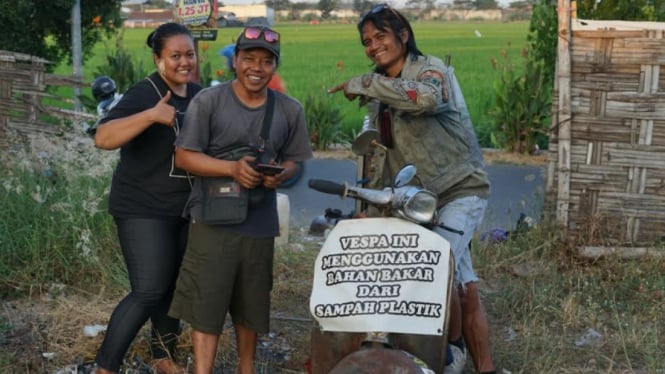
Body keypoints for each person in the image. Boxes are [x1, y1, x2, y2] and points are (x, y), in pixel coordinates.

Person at [328, 4, 496, 374]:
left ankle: (451, 349)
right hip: (419, 199)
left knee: (437, 266)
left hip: (460, 188)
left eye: (380, 36)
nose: (373, 46)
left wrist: (368, 83)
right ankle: (485, 368)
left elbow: (427, 98)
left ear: (403, 34)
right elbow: (380, 153)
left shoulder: (431, 68)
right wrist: (368, 203)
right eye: (367, 42)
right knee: (465, 285)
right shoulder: (378, 91)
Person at [168, 25, 312, 374]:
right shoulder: (209, 101)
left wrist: (280, 173)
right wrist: (232, 169)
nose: (257, 68)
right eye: (249, 59)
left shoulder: (289, 109)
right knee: (207, 302)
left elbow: (296, 161)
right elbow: (185, 156)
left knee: (251, 303)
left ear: (274, 66)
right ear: (236, 62)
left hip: (260, 222)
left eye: (266, 61)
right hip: (212, 219)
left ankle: (246, 369)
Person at [93, 22, 202, 374]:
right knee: (149, 289)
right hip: (142, 208)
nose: (184, 62)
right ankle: (104, 367)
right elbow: (104, 137)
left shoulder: (200, 96)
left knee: (173, 286)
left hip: (184, 209)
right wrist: (153, 114)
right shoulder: (146, 93)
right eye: (175, 56)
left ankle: (162, 357)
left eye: (189, 54)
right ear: (158, 60)